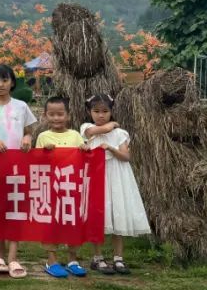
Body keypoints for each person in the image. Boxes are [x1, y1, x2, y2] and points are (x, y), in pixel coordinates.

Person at [81, 94, 151, 275]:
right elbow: (98, 131)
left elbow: (126, 156)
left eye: (105, 111)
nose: (101, 115)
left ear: (111, 111)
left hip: (118, 176)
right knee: (98, 216)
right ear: (89, 112)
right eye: (96, 111)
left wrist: (111, 148)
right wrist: (112, 124)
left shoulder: (121, 134)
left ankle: (118, 258)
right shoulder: (87, 128)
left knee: (117, 215)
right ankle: (97, 257)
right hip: (97, 177)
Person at [0, 64, 37, 279]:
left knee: (16, 208)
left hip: (17, 166)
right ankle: (0, 252)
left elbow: (29, 130)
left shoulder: (21, 106)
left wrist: (27, 138)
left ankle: (13, 256)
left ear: (12, 82)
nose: (1, 84)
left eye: (5, 80)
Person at [36, 96, 89, 278]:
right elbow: (36, 162)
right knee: (52, 224)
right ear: (45, 116)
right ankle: (51, 260)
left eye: (60, 114)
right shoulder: (43, 137)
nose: (56, 118)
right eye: (51, 114)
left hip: (72, 188)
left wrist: (85, 150)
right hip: (52, 189)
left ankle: (73, 260)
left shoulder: (75, 135)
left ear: (68, 115)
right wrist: (44, 152)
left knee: (73, 223)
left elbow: (85, 157)